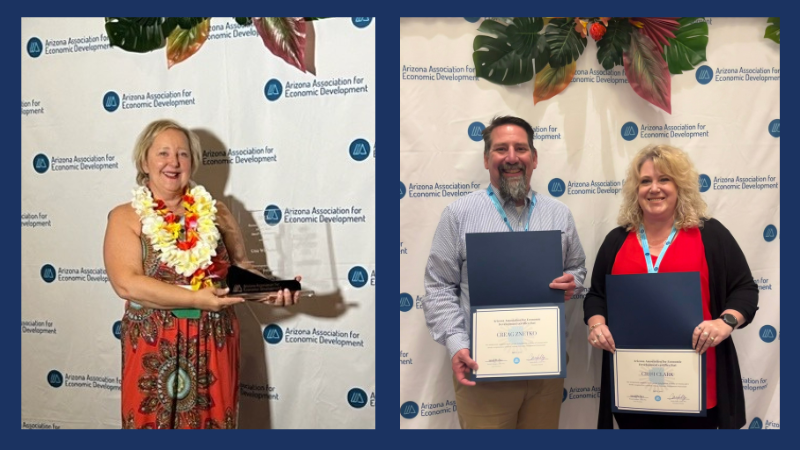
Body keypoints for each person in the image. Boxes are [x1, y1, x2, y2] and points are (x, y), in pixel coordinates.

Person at [103, 119, 302, 429]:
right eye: (163, 153)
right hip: (153, 343)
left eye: (183, 154)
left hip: (215, 337)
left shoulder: (218, 211)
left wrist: (271, 291)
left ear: (192, 163)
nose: (173, 162)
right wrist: (195, 298)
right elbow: (126, 283)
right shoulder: (125, 216)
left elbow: (240, 271)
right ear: (144, 160)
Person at [422, 115, 587, 429]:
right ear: (486, 159)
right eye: (501, 149)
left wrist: (573, 282)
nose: (512, 157)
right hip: (483, 370)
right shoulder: (458, 215)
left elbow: (576, 267)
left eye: (521, 148)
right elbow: (439, 287)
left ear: (534, 158)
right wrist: (458, 344)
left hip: (544, 370)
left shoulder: (559, 213)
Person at [583, 144, 759, 429]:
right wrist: (596, 324)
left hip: (697, 383)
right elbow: (596, 296)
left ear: (680, 186)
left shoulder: (710, 235)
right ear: (635, 189)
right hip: (634, 383)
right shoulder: (617, 240)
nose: (654, 188)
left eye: (664, 179)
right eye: (645, 181)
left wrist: (725, 321)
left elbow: (745, 289)